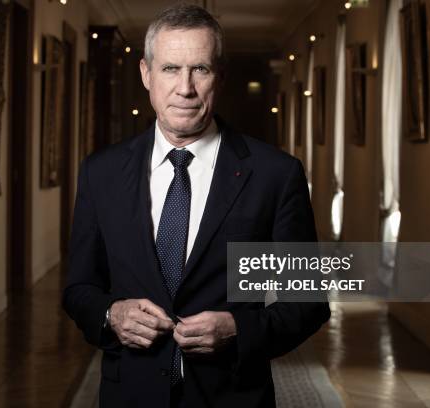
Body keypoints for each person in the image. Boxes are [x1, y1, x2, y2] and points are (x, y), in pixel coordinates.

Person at [62, 4, 330, 407]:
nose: (185, 88)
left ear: (220, 77)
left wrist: (240, 328)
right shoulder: (100, 173)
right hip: (130, 395)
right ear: (146, 74)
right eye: (170, 69)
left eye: (200, 70)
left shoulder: (277, 175)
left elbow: (308, 304)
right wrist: (111, 314)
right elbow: (79, 289)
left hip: (233, 396)